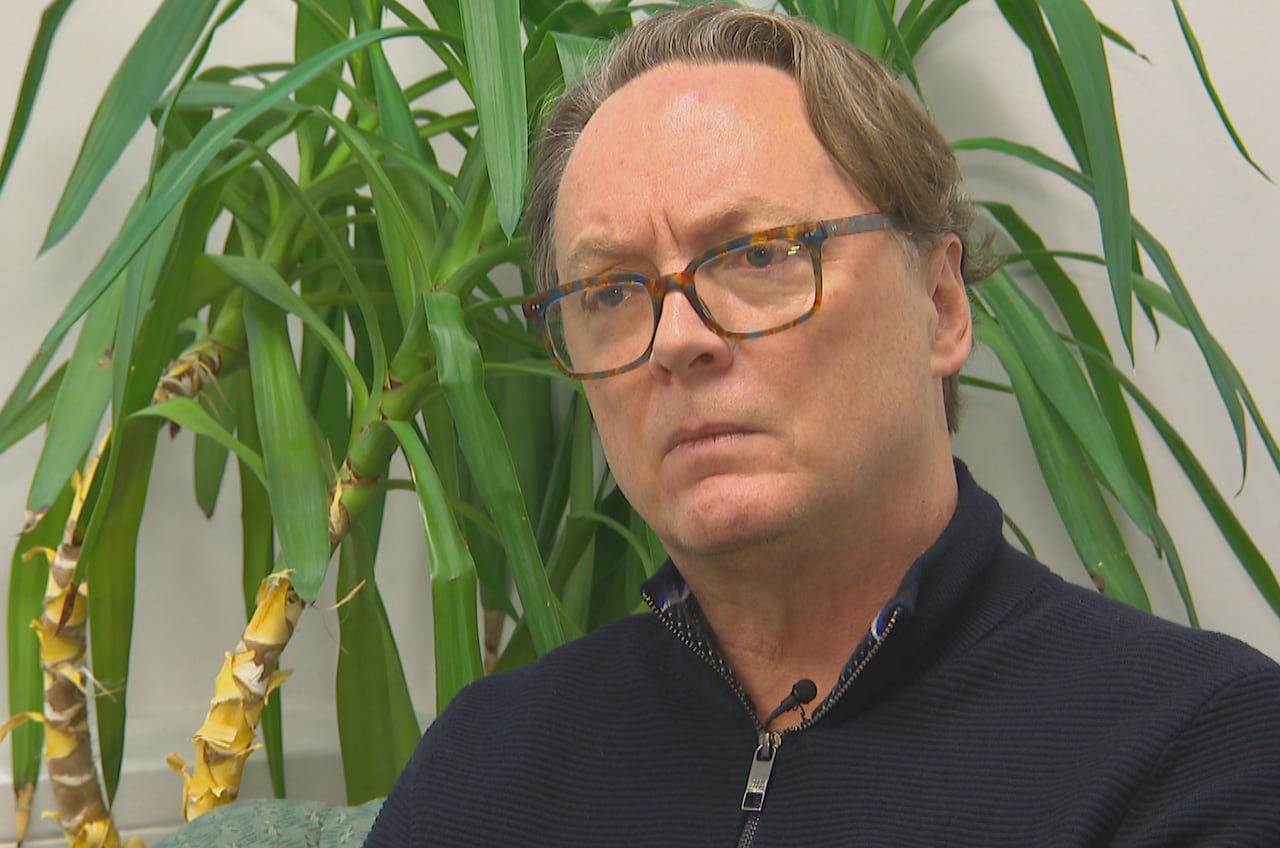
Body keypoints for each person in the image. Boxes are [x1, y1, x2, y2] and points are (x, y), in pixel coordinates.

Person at [364, 4, 1280, 845]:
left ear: (942, 304)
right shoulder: (480, 770)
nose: (676, 340)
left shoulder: (1194, 751)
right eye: (608, 290)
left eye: (760, 253)